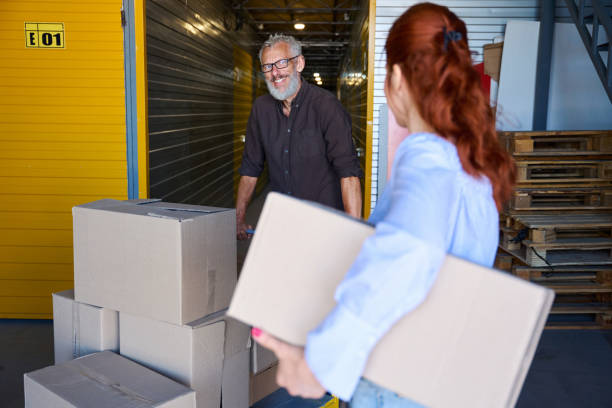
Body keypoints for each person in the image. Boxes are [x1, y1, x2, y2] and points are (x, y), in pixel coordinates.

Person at [252, 3, 516, 407]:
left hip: (399, 385)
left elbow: (410, 250)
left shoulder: (426, 157)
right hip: (441, 374)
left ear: (394, 78)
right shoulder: (470, 160)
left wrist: (319, 361)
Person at [236, 34, 363, 240]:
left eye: (282, 63)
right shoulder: (261, 109)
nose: (275, 72)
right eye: (267, 67)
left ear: (300, 63)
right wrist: (238, 219)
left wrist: (353, 233)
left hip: (325, 224)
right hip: (283, 222)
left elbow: (348, 173)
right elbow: (251, 168)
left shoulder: (327, 107)